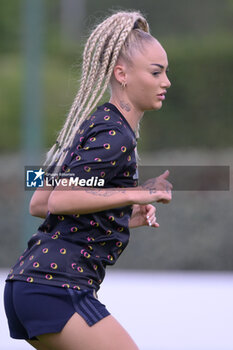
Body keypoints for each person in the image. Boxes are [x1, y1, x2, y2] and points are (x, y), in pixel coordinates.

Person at [4, 10, 172, 350]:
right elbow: (61, 200)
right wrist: (142, 192)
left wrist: (124, 212)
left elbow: (40, 200)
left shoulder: (96, 122)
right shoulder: (115, 133)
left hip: (28, 286)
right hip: (57, 287)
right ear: (121, 74)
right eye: (156, 72)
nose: (166, 81)